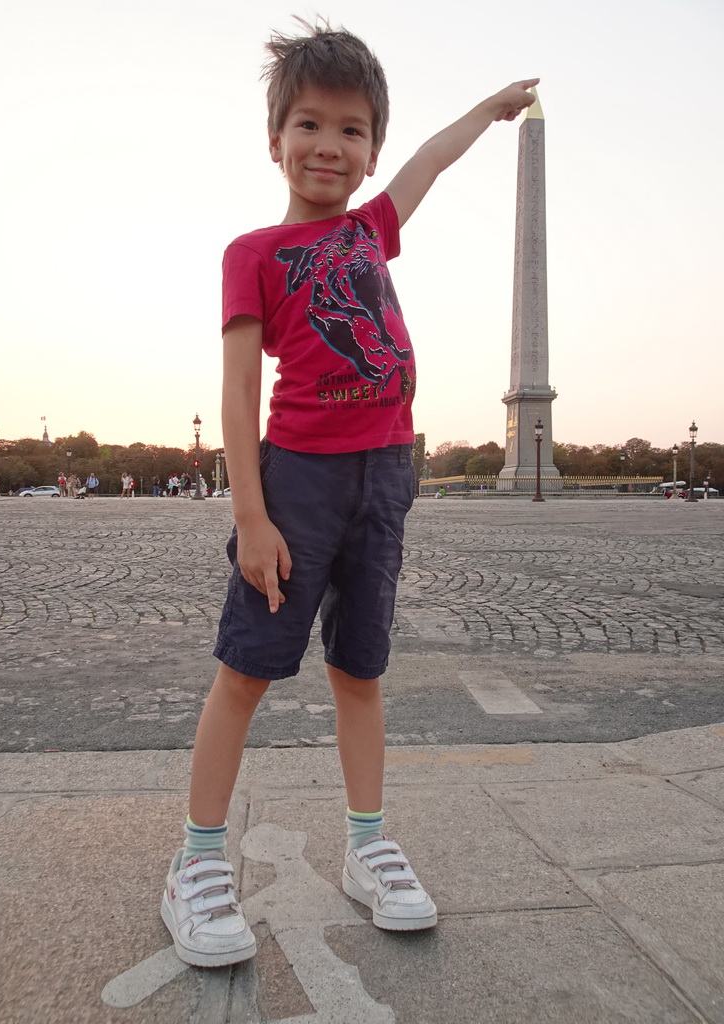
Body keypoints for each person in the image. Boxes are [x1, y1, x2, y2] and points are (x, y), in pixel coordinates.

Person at [160, 19, 537, 969]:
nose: (332, 145)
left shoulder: (373, 228)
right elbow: (239, 395)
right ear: (276, 140)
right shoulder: (252, 252)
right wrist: (251, 513)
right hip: (300, 480)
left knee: (361, 673)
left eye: (353, 130)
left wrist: (488, 114)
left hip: (385, 476)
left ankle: (369, 844)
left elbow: (431, 162)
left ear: (368, 152)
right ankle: (199, 862)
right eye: (311, 125)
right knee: (247, 670)